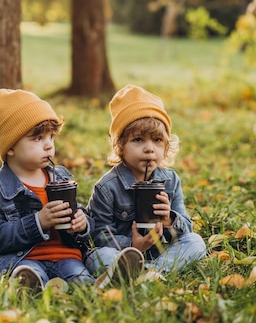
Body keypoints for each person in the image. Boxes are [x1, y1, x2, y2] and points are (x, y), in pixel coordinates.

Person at [0, 88, 142, 292]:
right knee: (29, 273)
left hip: (66, 256)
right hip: (25, 259)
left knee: (79, 277)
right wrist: (38, 222)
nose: (48, 146)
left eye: (51, 137)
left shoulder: (60, 178)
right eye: (38, 138)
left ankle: (102, 286)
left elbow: (81, 214)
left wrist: (82, 223)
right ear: (10, 146)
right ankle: (30, 287)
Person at [86, 84, 206, 276]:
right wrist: (133, 245)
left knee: (195, 242)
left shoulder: (170, 180)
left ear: (166, 146)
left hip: (160, 251)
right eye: (138, 140)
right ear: (121, 146)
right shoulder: (107, 187)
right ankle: (134, 268)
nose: (149, 148)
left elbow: (186, 229)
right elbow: (100, 235)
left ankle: (150, 272)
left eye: (157, 140)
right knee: (98, 256)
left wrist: (168, 219)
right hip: (122, 252)